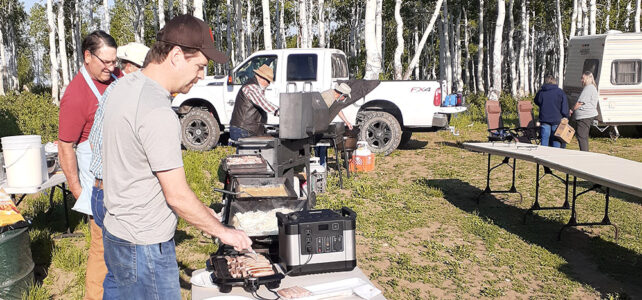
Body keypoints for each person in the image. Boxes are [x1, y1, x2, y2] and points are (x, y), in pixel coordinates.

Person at [101, 15, 251, 298]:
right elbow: (176, 195)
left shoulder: (123, 86)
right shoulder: (157, 110)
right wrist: (224, 232)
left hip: (117, 233)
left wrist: (203, 213)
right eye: (200, 66)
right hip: (146, 246)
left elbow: (140, 169)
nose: (202, 76)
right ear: (176, 55)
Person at [57, 30, 121, 300]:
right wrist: (77, 189)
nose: (111, 67)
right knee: (101, 248)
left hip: (122, 177)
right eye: (105, 62)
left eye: (114, 61)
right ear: (87, 56)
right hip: (98, 183)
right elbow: (65, 146)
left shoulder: (117, 79)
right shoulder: (76, 95)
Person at [87, 41, 149, 299]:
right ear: (132, 68)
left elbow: (93, 140)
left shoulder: (112, 92)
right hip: (118, 194)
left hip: (101, 190)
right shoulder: (128, 95)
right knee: (127, 269)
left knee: (115, 268)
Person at [229, 64, 278, 142]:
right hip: (243, 129)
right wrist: (278, 111)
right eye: (268, 81)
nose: (268, 84)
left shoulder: (255, 87)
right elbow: (263, 103)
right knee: (245, 153)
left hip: (248, 129)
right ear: (261, 77)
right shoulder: (251, 87)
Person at [315, 83, 353, 167]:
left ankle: (321, 165)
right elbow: (320, 113)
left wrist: (347, 122)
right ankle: (321, 166)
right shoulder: (328, 97)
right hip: (316, 125)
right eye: (345, 97)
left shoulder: (334, 96)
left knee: (321, 147)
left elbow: (338, 110)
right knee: (321, 145)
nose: (344, 99)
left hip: (320, 124)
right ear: (341, 94)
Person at [533, 75, 569, 148]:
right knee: (556, 139)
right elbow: (564, 106)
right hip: (557, 119)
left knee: (544, 139)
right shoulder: (560, 92)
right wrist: (566, 115)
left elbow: (536, 101)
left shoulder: (541, 92)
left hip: (544, 119)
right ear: (555, 82)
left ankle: (543, 156)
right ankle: (555, 156)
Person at [571, 71, 599, 151]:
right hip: (586, 115)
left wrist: (571, 110)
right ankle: (585, 153)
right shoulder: (591, 87)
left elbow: (579, 103)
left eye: (583, 78)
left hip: (585, 116)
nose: (581, 80)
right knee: (583, 136)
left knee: (581, 136)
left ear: (588, 78)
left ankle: (584, 154)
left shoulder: (589, 88)